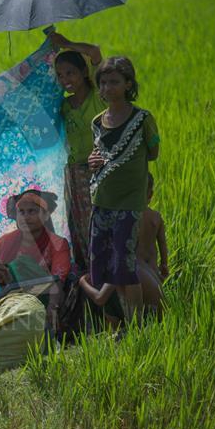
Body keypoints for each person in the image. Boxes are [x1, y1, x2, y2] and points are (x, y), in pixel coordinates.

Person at [87, 57, 160, 323]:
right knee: (102, 264)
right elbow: (97, 156)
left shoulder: (142, 119)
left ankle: (136, 323)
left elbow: (153, 152)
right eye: (103, 83)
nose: (108, 88)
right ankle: (114, 324)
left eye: (115, 82)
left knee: (124, 265)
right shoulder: (97, 122)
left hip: (128, 202)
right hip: (101, 199)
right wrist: (92, 162)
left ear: (128, 84)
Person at [79, 173, 167, 323]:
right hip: (155, 279)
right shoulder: (155, 217)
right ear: (149, 194)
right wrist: (164, 265)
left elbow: (100, 298)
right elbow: (164, 252)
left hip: (149, 318)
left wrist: (82, 282)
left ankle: (120, 328)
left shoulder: (124, 264)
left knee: (102, 285)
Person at [50, 33, 104, 271]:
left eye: (70, 73)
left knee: (99, 222)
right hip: (74, 172)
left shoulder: (100, 96)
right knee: (79, 225)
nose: (65, 79)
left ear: (84, 73)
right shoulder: (63, 105)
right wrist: (47, 51)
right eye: (60, 75)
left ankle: (106, 274)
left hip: (99, 169)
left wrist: (66, 45)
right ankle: (87, 276)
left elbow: (95, 52)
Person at [0, 189, 72, 331]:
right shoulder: (3, 243)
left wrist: (53, 308)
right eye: (21, 212)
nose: (26, 217)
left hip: (44, 301)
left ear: (45, 215)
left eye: (32, 211)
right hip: (7, 305)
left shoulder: (58, 243)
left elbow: (58, 281)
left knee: (20, 264)